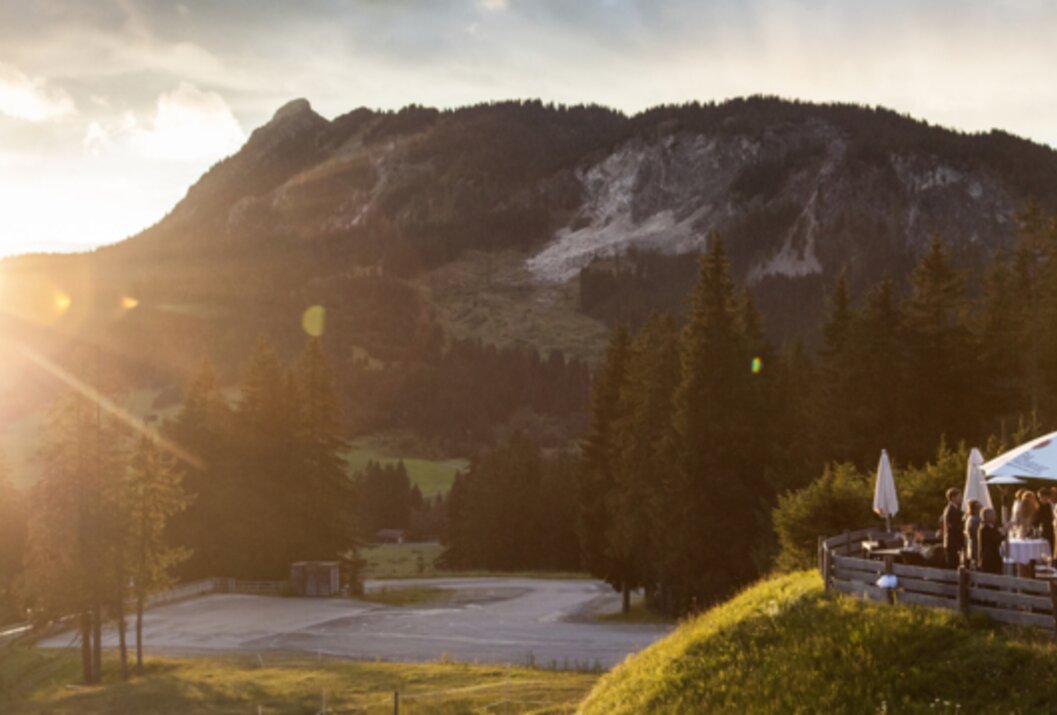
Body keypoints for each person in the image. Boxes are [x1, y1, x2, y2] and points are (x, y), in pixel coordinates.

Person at [941, 487, 964, 568]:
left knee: (954, 564)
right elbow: (953, 527)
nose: (961, 498)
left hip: (952, 542)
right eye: (959, 496)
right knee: (953, 565)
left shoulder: (953, 509)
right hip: (952, 543)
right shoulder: (950, 510)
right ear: (953, 498)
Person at [978, 508, 1004, 575]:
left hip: (995, 558)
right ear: (988, 517)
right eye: (994, 515)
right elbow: (995, 539)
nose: (996, 517)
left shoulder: (993, 527)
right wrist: (1004, 532)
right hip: (988, 559)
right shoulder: (984, 529)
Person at [1034, 488, 1055, 553]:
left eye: (1040, 497)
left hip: (1049, 531)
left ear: (1045, 496)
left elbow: (1038, 520)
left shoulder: (1044, 507)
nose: (1039, 500)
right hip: (1048, 532)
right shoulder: (1043, 507)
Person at [964, 499, 982, 569]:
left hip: (971, 546)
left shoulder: (969, 518)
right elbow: (977, 535)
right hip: (976, 547)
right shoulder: (976, 520)